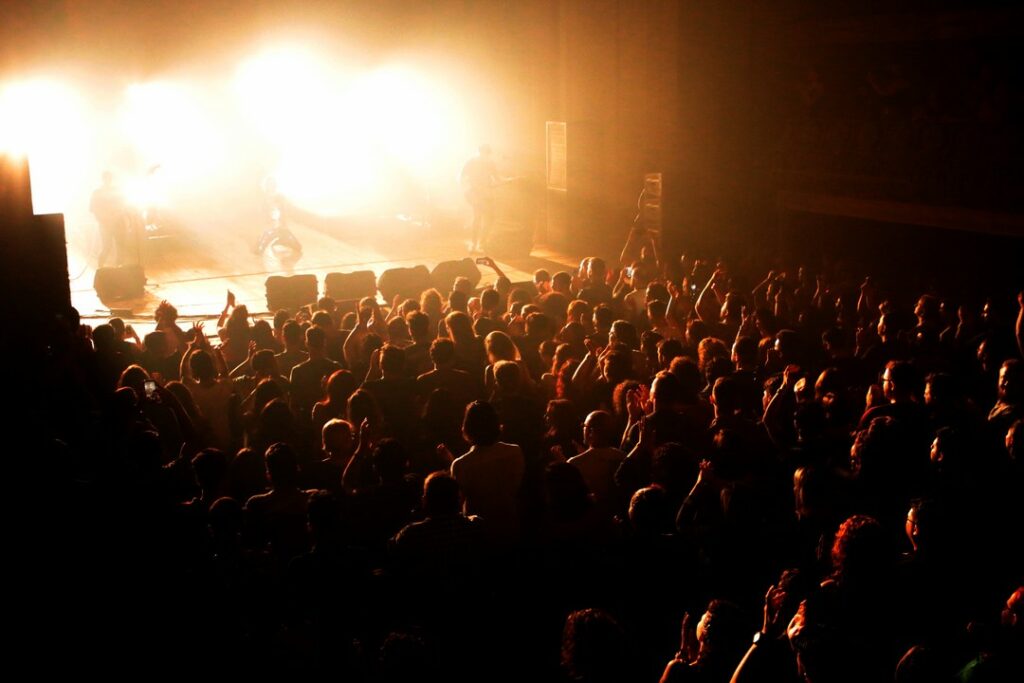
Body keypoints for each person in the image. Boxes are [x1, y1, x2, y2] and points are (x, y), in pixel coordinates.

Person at [460, 144, 499, 252]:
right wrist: (469, 189)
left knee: (485, 218)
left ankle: (479, 243)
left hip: (485, 194)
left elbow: (496, 179)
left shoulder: (488, 163)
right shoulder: (473, 162)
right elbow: (462, 177)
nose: (485, 156)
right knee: (480, 218)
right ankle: (477, 243)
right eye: (485, 153)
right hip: (478, 194)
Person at [254, 175, 303, 257]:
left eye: (273, 184)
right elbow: (261, 213)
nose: (271, 186)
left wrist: (284, 225)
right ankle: (275, 240)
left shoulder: (280, 197)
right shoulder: (263, 198)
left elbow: (284, 212)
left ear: (275, 185)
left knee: (298, 247)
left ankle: (280, 240)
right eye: (269, 184)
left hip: (281, 229)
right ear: (266, 186)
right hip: (269, 229)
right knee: (258, 250)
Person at [90, 171, 129, 268]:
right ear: (103, 179)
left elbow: (124, 205)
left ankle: (119, 267)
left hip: (117, 223)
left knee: (120, 246)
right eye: (106, 178)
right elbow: (93, 208)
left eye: (109, 178)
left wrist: (120, 215)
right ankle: (100, 267)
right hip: (105, 224)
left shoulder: (116, 191)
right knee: (107, 246)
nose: (108, 180)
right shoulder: (97, 193)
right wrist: (101, 219)